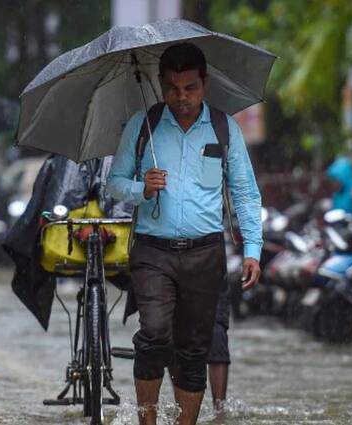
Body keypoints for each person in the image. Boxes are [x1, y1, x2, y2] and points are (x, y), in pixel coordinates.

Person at [107, 43, 263, 425]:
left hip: (205, 253)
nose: (182, 97)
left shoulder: (226, 128)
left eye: (190, 88)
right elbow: (115, 182)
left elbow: (244, 192)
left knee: (195, 348)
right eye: (173, 88)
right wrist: (141, 188)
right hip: (152, 252)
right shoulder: (141, 126)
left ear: (204, 84)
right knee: (155, 334)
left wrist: (252, 249)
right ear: (161, 84)